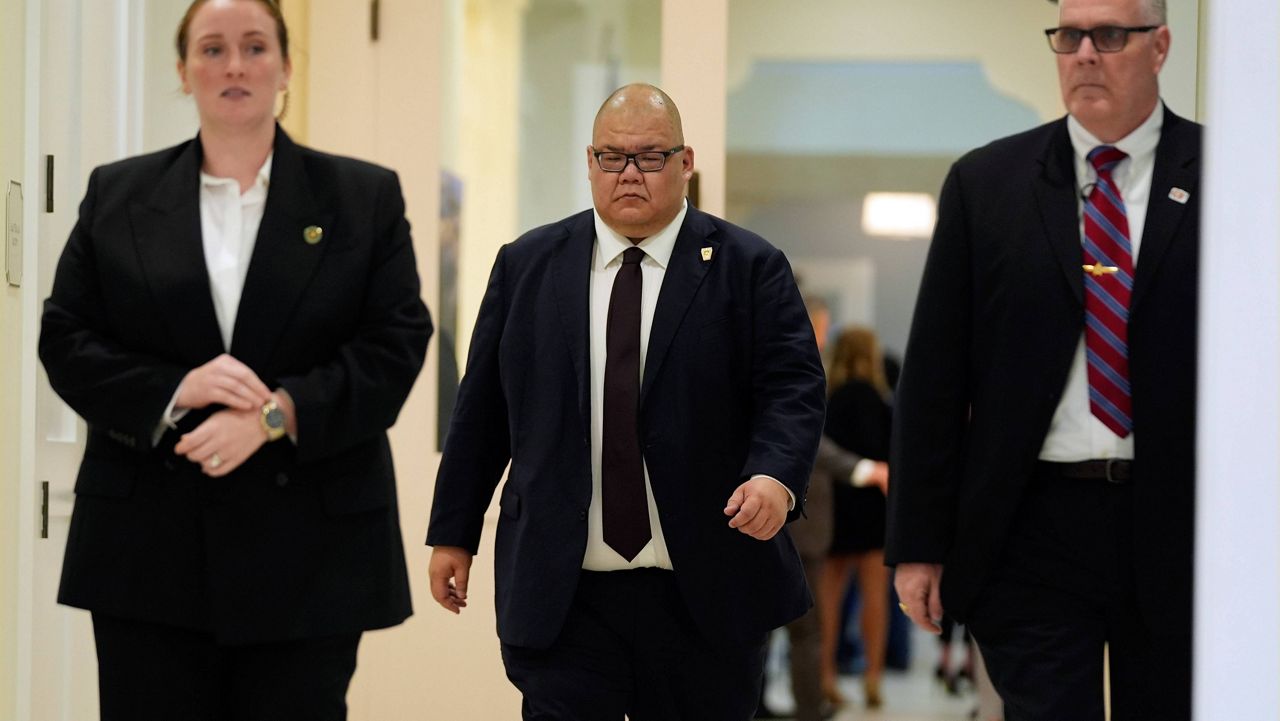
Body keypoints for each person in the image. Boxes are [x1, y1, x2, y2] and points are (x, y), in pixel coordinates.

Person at [38, 1, 433, 718]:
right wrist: (174, 389)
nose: (234, 65)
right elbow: (65, 337)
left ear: (286, 67)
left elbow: (396, 341)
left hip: (309, 556)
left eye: (255, 47)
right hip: (147, 556)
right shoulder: (117, 194)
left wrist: (277, 414)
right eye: (212, 49)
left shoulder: (361, 196)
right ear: (183, 70)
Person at [426, 83, 826, 720]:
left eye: (650, 156)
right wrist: (454, 530)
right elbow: (483, 411)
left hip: (702, 591)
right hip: (566, 593)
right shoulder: (528, 265)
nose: (630, 173)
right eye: (612, 157)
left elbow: (793, 390)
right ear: (589, 162)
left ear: (685, 162)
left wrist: (776, 477)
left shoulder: (749, 267)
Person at [886, 0, 1199, 718]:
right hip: (1032, 525)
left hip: (1179, 518)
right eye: (1069, 35)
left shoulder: (1230, 175)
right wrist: (918, 544)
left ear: (1160, 47)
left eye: (1111, 35)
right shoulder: (987, 185)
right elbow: (934, 378)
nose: (1085, 53)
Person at [757, 297, 871, 721]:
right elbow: (802, 437)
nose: (821, 335)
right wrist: (861, 470)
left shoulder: (811, 366)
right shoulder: (781, 364)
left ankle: (804, 705)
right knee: (790, 625)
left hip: (809, 519)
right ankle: (781, 705)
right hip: (781, 516)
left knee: (804, 626)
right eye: (818, 326)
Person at [818, 326, 892, 708]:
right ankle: (873, 676)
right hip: (876, 503)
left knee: (829, 596)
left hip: (836, 503)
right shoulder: (881, 401)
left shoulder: (828, 398)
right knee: (874, 597)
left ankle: (826, 675)